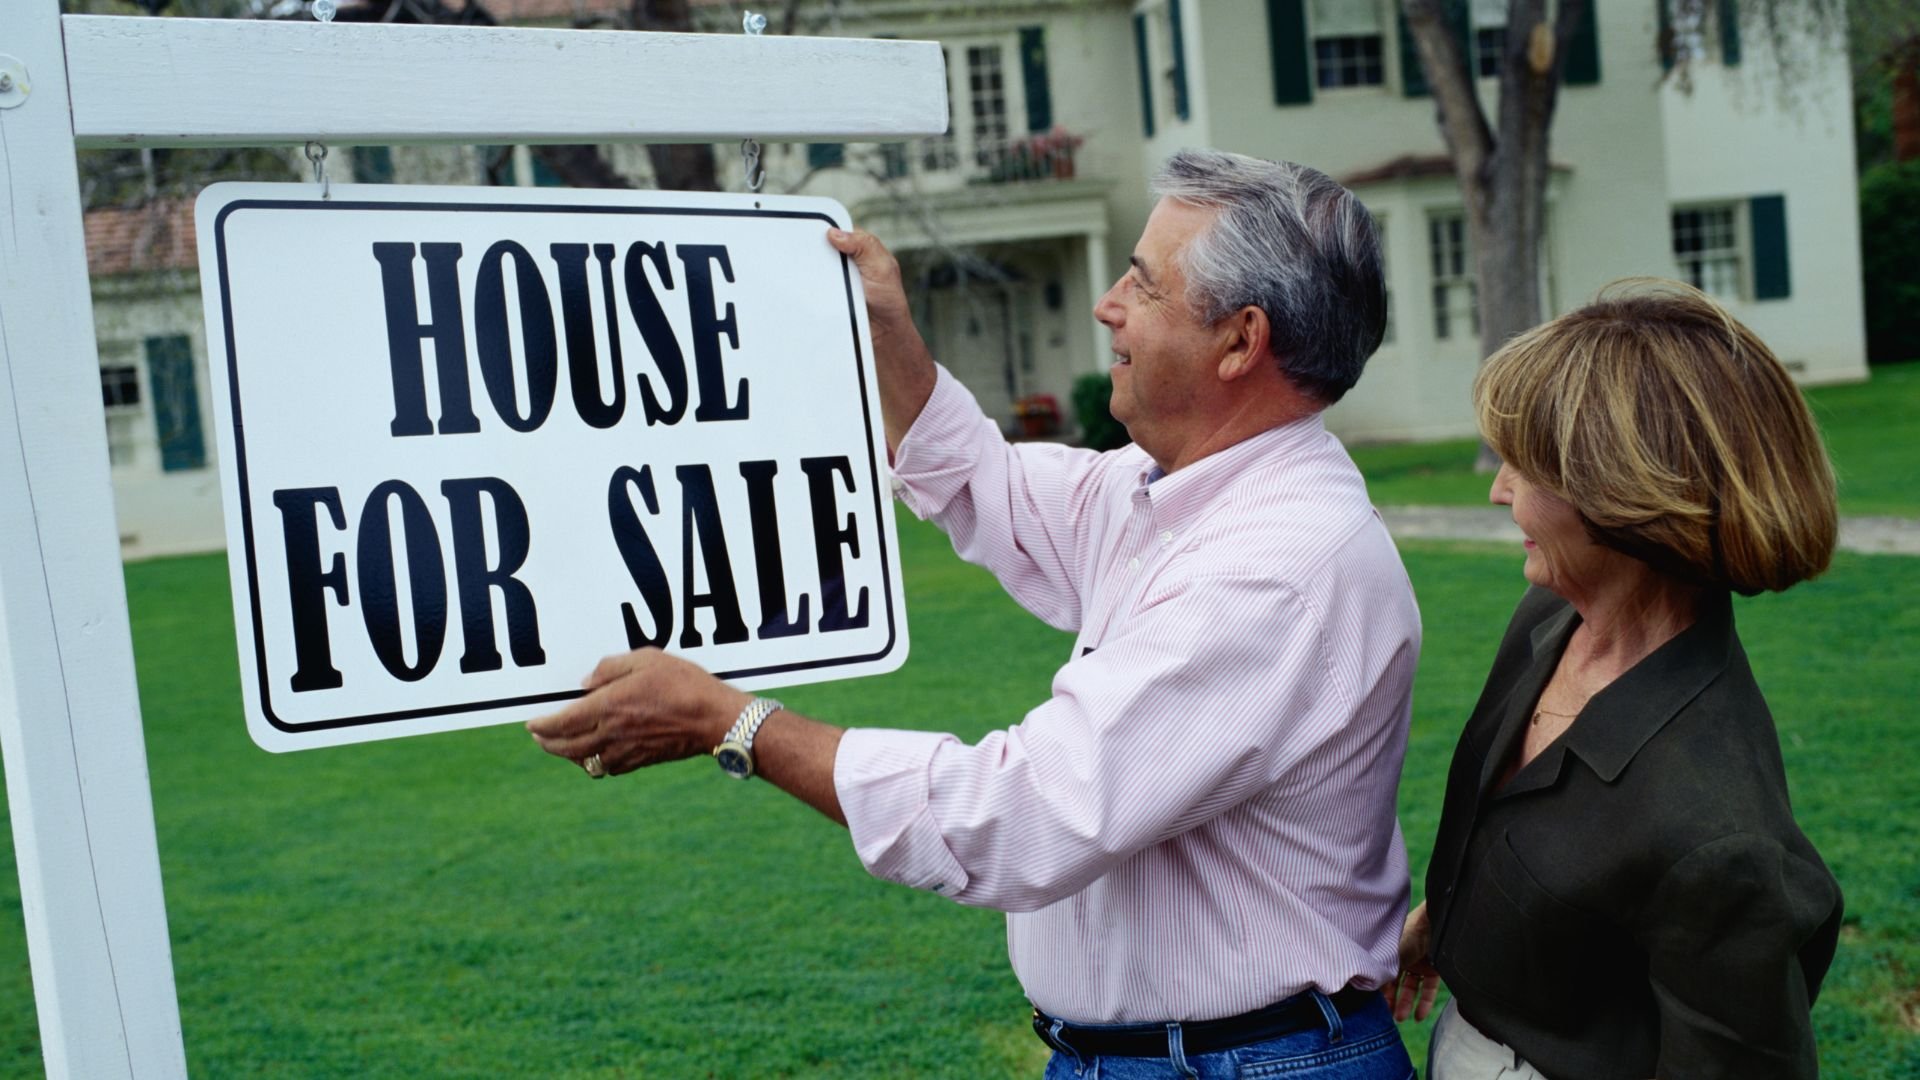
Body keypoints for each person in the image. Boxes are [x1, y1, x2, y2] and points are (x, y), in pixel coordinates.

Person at [529, 149, 1423, 1078]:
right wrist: (891, 336)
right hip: (1162, 1057)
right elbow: (993, 488)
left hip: (1245, 1065)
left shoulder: (1271, 571)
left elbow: (1018, 815)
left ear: (1241, 342)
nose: (1107, 304)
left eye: (1144, 286)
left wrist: (737, 723)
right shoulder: (1174, 493)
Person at [1384, 281, 1844, 1079]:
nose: (1497, 490)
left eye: (1522, 468)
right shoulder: (1550, 618)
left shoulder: (1717, 833)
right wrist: (1451, 926)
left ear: (1621, 499)